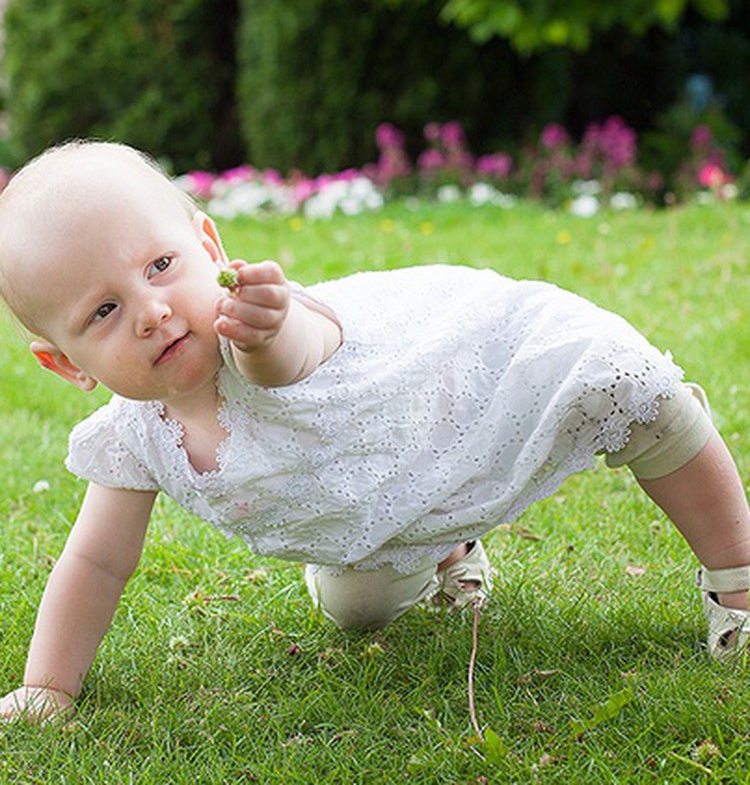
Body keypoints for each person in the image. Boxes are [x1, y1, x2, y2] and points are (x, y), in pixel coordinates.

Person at [0, 141, 749, 724]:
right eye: (103, 311)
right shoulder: (132, 437)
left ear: (209, 247)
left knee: (631, 392)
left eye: (161, 265)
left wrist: (265, 330)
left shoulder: (257, 329)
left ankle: (738, 573)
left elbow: (288, 358)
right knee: (355, 610)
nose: (151, 310)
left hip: (456, 379)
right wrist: (47, 686)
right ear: (66, 364)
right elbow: (96, 564)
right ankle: (448, 547)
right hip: (378, 498)